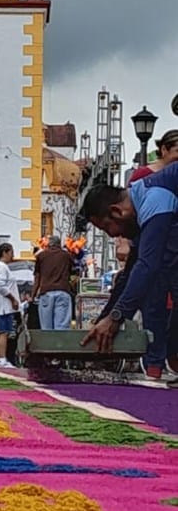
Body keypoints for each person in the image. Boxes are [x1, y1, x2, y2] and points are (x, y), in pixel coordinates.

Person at [82, 162, 178, 379]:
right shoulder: (141, 205)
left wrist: (115, 318)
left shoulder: (155, 199)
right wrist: (104, 321)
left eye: (107, 228)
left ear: (117, 211)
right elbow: (129, 275)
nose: (113, 236)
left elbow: (147, 266)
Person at [31, 234, 73, 331]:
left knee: (46, 328)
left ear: (49, 244)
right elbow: (72, 272)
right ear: (59, 244)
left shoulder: (41, 256)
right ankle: (59, 345)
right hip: (63, 291)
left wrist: (33, 296)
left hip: (46, 293)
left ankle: (47, 345)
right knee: (61, 328)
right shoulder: (66, 256)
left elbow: (37, 277)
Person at [0, 242, 20, 366]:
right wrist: (12, 298)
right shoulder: (1, 267)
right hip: (4, 305)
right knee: (4, 331)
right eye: (11, 253)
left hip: (1, 305)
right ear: (5, 252)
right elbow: (1, 286)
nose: (12, 256)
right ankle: (2, 358)